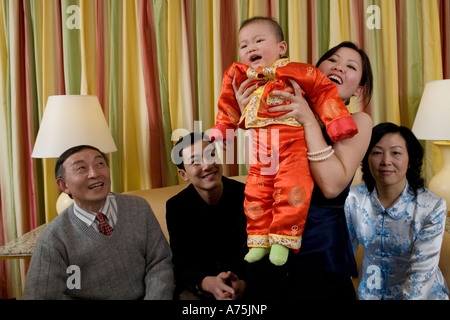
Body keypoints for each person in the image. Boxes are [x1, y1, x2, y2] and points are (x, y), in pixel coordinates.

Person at [211, 16, 359, 266]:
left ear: (282, 48)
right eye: (244, 45)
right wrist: (231, 124)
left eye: (259, 40)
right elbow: (227, 103)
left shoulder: (299, 73)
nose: (251, 48)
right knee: (255, 191)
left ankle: (281, 238)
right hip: (262, 148)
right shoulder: (239, 75)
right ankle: (259, 239)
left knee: (292, 188)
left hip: (321, 239)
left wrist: (335, 121)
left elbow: (324, 92)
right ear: (320, 66)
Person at [235, 41, 373, 300]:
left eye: (350, 66)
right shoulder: (281, 106)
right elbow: (262, 171)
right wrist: (253, 119)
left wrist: (308, 119)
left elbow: (331, 187)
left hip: (321, 254)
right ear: (314, 69)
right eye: (333, 60)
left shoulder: (358, 122)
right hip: (270, 240)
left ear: (358, 89)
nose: (339, 67)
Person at [22, 145, 174, 300]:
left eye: (100, 164)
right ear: (64, 185)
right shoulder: (53, 239)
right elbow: (39, 295)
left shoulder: (139, 208)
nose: (94, 173)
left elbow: (160, 262)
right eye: (81, 168)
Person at [344, 122, 449, 300]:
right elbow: (344, 257)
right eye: (377, 152)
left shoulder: (432, 206)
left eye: (396, 153)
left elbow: (421, 276)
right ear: (367, 157)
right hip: (370, 294)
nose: (386, 161)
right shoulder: (353, 198)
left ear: (409, 160)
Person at [166, 132, 248, 300]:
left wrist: (243, 284)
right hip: (203, 289)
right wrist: (208, 283)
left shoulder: (248, 195)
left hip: (249, 283)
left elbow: (264, 250)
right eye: (195, 161)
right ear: (184, 174)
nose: (207, 165)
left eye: (211, 155)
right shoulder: (176, 207)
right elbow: (181, 264)